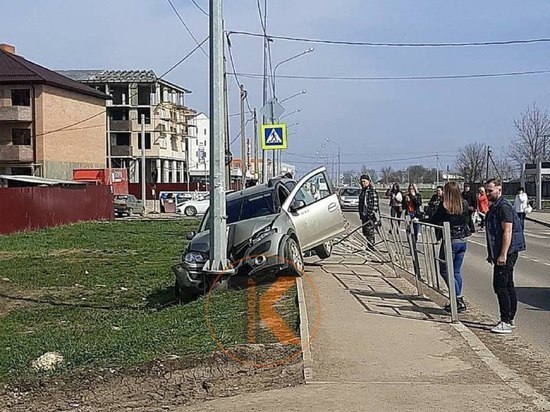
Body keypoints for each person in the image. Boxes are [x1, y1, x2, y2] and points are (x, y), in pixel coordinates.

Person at [485, 179, 526, 334]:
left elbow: (507, 231)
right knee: (508, 284)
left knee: (500, 285)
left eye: (490, 190)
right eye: (487, 191)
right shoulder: (496, 207)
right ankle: (510, 318)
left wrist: (502, 254)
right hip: (503, 252)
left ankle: (506, 321)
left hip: (508, 252)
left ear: (499, 189)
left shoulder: (503, 207)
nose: (488, 194)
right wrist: (492, 254)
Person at [425, 182, 470, 312]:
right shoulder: (464, 204)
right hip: (462, 240)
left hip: (450, 240)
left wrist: (423, 218)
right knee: (456, 271)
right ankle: (456, 300)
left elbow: (434, 219)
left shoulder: (445, 205)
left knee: (444, 270)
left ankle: (457, 299)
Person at [358, 174, 379, 251]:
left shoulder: (371, 191)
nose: (363, 183)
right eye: (361, 182)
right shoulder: (363, 191)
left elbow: (374, 204)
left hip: (370, 215)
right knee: (365, 231)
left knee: (370, 231)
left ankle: (371, 246)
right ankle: (369, 245)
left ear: (368, 181)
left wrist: (371, 214)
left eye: (364, 181)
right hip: (364, 214)